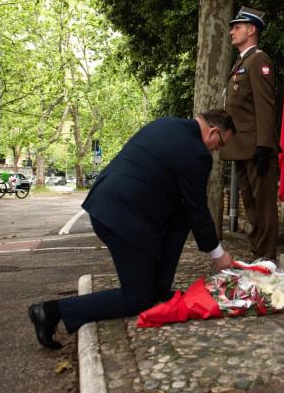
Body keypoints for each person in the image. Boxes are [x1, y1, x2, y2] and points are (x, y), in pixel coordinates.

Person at [28, 110, 236, 350]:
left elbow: (184, 206)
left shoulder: (165, 124)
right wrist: (218, 255)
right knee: (137, 299)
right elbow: (197, 208)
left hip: (111, 206)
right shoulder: (196, 152)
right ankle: (52, 311)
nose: (217, 150)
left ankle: (158, 289)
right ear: (213, 132)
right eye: (220, 144)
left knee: (181, 217)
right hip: (123, 219)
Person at [219, 6, 279, 260]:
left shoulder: (258, 60)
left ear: (251, 29)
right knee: (251, 206)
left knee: (263, 206)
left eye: (237, 27)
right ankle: (257, 253)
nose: (232, 31)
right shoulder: (242, 62)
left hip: (256, 147)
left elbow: (265, 106)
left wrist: (264, 145)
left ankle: (267, 258)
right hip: (241, 147)